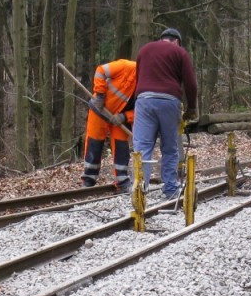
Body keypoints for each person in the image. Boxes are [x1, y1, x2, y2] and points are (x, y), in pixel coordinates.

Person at [131, 27, 198, 200]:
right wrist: (191, 108)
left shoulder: (144, 50)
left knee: (142, 147)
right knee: (170, 147)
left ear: (161, 38)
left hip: (144, 100)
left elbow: (138, 78)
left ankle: (139, 189)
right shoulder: (179, 51)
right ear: (176, 41)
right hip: (169, 101)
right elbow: (191, 83)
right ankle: (170, 189)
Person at [81, 52, 137, 192]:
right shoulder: (126, 66)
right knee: (94, 143)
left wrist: (125, 117)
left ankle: (122, 181)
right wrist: (99, 95)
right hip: (100, 109)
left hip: (120, 118)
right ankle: (88, 179)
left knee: (122, 148)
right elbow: (101, 70)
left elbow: (142, 110)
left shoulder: (148, 86)